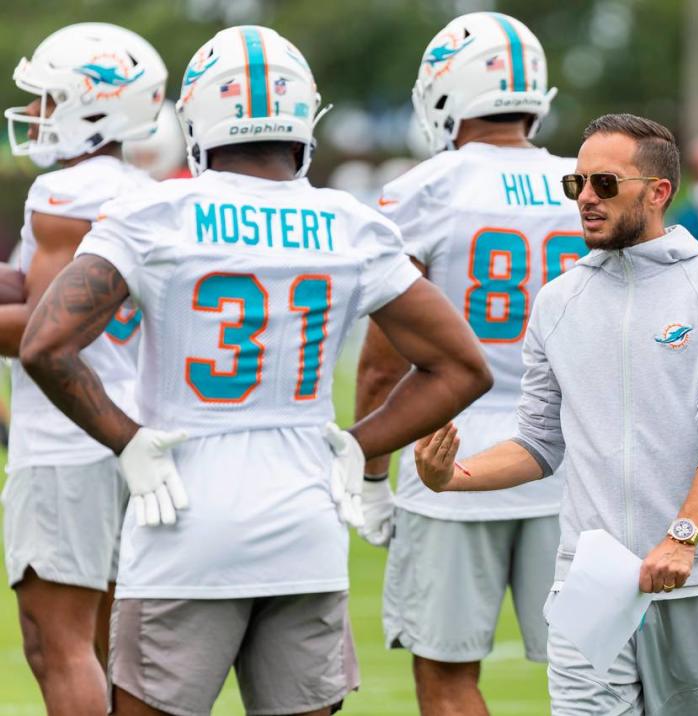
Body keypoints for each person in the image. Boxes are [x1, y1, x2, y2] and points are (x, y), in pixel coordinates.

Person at [19, 25, 492, 716]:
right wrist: (362, 442)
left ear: (196, 117)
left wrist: (126, 439)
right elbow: (460, 367)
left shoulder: (157, 211)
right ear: (306, 120)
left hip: (183, 521)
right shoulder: (346, 223)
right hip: (306, 523)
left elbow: (43, 346)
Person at [415, 113, 698, 716]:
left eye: (605, 184)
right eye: (576, 185)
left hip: (697, 574)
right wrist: (456, 477)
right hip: (590, 582)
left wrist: (683, 538)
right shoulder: (557, 301)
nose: (586, 200)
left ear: (658, 192)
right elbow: (538, 442)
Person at [353, 13, 584, 715]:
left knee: (449, 680)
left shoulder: (427, 187)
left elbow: (381, 359)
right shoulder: (586, 182)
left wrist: (370, 474)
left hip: (448, 457)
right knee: (591, 675)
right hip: (576, 459)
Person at [0, 23, 165, 713]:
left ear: (91, 107)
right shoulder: (150, 192)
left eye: (47, 100)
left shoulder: (61, 194)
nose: (34, 116)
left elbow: (40, 330)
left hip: (69, 437)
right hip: (136, 429)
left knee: (58, 645)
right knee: (117, 648)